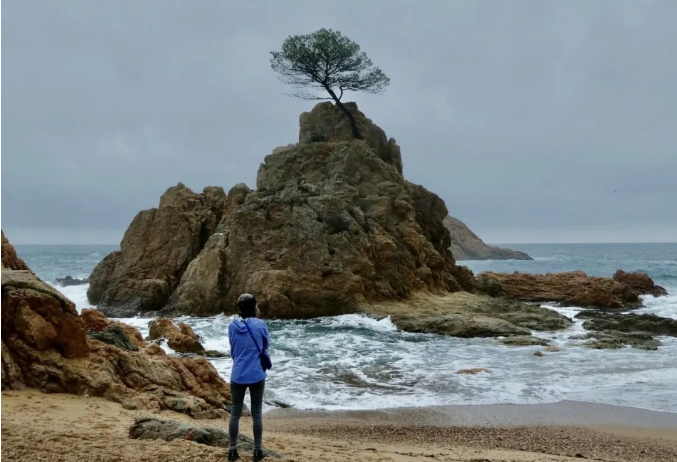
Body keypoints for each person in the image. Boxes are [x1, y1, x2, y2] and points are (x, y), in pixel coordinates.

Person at [227, 293, 270, 462]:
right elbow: (265, 346)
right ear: (254, 307)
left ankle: (232, 450)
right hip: (257, 374)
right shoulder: (260, 325)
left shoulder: (232, 326)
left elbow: (233, 350)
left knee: (235, 414)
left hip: (238, 374)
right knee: (257, 413)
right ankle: (258, 451)